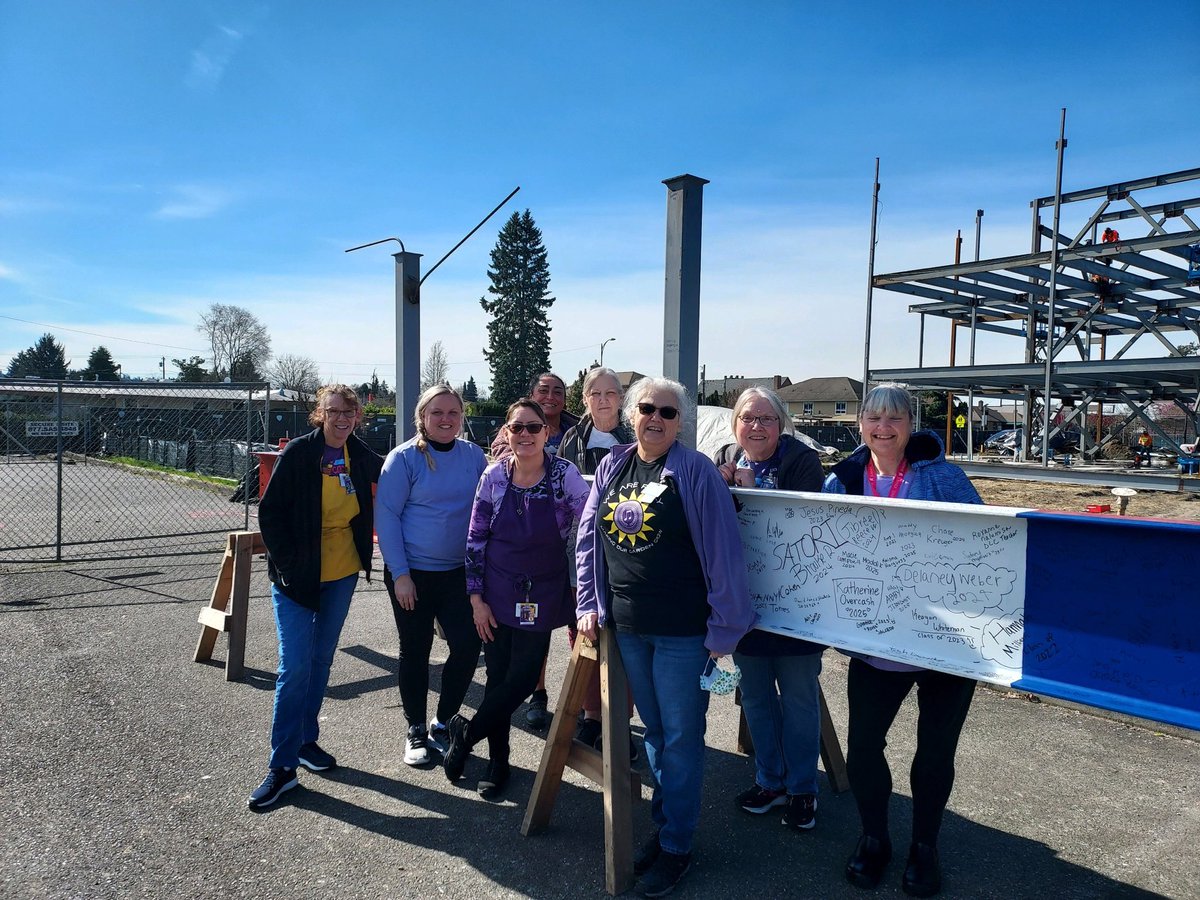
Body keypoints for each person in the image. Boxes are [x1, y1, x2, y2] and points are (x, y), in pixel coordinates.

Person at [575, 377, 754, 899]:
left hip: (682, 631)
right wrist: (588, 601)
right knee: (653, 733)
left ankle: (677, 844)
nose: (656, 418)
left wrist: (724, 630)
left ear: (680, 422)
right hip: (627, 627)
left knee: (679, 738)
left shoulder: (695, 472)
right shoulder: (613, 465)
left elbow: (724, 553)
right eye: (647, 408)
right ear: (632, 414)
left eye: (668, 413)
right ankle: (666, 826)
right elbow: (588, 538)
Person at [823, 383, 982, 898]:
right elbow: (822, 548)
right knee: (864, 746)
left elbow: (986, 543)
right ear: (861, 424)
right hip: (876, 643)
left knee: (935, 752)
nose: (884, 428)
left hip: (945, 642)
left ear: (912, 426)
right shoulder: (841, 479)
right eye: (874, 418)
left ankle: (925, 846)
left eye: (895, 418)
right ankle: (874, 839)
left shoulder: (944, 477)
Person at [443, 399, 590, 800]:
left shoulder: (564, 476)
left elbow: (591, 517)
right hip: (496, 591)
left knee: (523, 679)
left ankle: (467, 733)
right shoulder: (493, 477)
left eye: (533, 427)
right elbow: (474, 539)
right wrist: (476, 599)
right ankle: (498, 760)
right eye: (517, 428)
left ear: (547, 433)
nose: (525, 435)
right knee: (496, 677)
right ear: (506, 433)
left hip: (542, 591)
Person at [249, 384, 383, 810]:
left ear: (358, 416)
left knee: (322, 658)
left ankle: (306, 741)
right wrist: (287, 565)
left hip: (341, 573)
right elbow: (269, 513)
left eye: (350, 412)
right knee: (296, 666)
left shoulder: (359, 455)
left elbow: (403, 470)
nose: (342, 418)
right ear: (319, 414)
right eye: (334, 411)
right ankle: (282, 767)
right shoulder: (299, 454)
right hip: (296, 577)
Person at [712, 387, 826, 831]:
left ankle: (803, 788)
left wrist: (756, 493)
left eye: (766, 419)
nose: (756, 426)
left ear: (781, 424)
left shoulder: (800, 461)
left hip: (798, 602)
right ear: (735, 424)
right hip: (744, 601)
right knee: (756, 696)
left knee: (799, 698)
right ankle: (770, 780)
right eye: (747, 418)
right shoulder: (723, 456)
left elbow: (808, 523)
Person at [375, 385, 487, 767]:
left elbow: (486, 507)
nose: (445, 419)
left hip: (459, 573)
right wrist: (400, 574)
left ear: (461, 416)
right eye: (436, 412)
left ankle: (443, 721)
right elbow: (387, 516)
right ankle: (416, 729)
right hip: (413, 575)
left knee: (468, 646)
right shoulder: (403, 459)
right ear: (422, 417)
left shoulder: (474, 456)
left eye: (453, 413)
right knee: (416, 650)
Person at [490, 372, 581, 728]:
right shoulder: (513, 432)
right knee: (533, 634)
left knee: (581, 632)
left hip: (573, 553)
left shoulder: (579, 430)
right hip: (529, 561)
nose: (551, 396)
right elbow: (504, 464)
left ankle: (586, 707)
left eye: (558, 391)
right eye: (543, 390)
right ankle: (538, 694)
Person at [558, 367, 636, 750]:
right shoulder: (570, 440)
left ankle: (620, 721)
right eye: (595, 393)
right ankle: (591, 714)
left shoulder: (638, 434)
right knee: (583, 634)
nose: (603, 399)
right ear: (584, 399)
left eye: (611, 392)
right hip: (582, 553)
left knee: (627, 638)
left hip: (629, 553)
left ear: (622, 399)